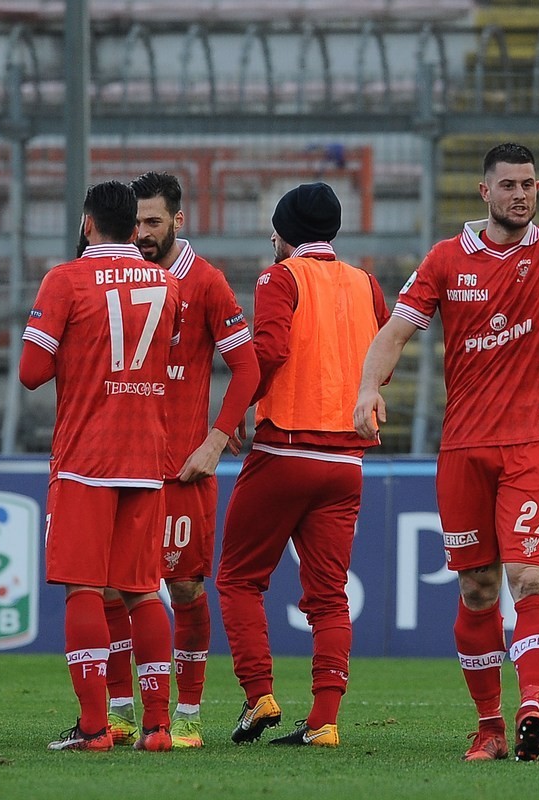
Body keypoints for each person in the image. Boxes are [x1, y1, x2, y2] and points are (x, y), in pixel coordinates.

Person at [353, 68, 539, 762]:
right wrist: (366, 389)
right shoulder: (446, 259)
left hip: (536, 440)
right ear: (484, 191)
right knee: (476, 590)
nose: (522, 195)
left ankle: (532, 709)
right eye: (509, 185)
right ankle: (490, 726)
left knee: (530, 578)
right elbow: (394, 333)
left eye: (529, 185)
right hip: (465, 446)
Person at [216, 181, 389, 748]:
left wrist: (235, 410)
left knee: (239, 578)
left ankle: (259, 694)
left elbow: (268, 350)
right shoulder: (366, 284)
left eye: (274, 228)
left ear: (284, 232)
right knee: (329, 595)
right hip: (345, 460)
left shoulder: (279, 276)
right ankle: (325, 721)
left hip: (286, 449)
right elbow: (380, 365)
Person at [20, 180, 182, 753]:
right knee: (143, 591)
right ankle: (159, 727)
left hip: (87, 456)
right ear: (135, 229)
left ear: (88, 224)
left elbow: (31, 371)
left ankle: (94, 728)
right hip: (145, 454)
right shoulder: (166, 282)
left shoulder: (64, 280)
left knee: (84, 590)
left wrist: (73, 345)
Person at [101, 171, 260, 750]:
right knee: (113, 593)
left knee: (187, 590)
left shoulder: (206, 283)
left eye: (153, 222)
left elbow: (247, 366)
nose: (142, 233)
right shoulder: (115, 278)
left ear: (178, 221)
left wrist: (217, 438)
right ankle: (121, 713)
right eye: (135, 222)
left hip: (181, 468)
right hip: (120, 464)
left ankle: (187, 715)